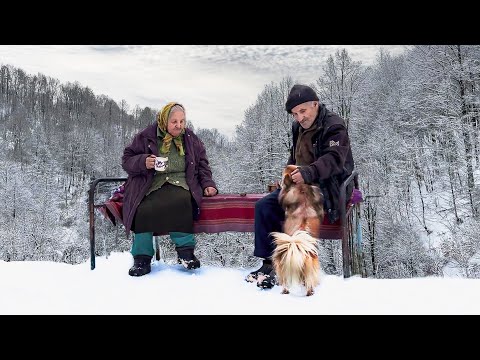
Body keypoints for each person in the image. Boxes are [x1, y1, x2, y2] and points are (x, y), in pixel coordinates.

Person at [246, 84, 355, 289]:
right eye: (295, 114)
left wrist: (308, 172)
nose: (299, 118)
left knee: (298, 203)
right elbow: (295, 155)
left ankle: (291, 268)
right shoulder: (298, 127)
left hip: (329, 184)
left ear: (315, 104)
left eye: (303, 111)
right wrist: (288, 175)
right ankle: (268, 263)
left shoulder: (333, 125)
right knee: (264, 206)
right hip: (300, 182)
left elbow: (334, 159)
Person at [122, 102, 218, 277]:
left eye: (182, 121)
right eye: (174, 121)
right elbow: (127, 160)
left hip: (180, 182)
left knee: (181, 201)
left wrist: (208, 184)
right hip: (151, 184)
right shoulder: (146, 136)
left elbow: (203, 165)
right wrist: (143, 161)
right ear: (164, 120)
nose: (179, 126)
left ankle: (185, 252)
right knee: (142, 209)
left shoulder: (191, 139)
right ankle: (141, 258)